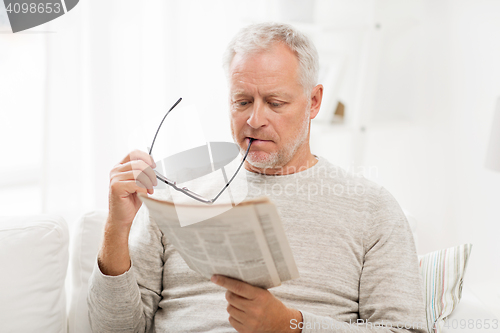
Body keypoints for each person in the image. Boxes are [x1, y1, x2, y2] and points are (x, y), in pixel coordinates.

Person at [88, 22, 428, 333]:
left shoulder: (371, 208)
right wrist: (116, 228)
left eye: (275, 103)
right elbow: (115, 329)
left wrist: (292, 325)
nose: (254, 119)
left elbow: (404, 330)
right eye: (242, 101)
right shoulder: (173, 196)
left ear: (314, 101)